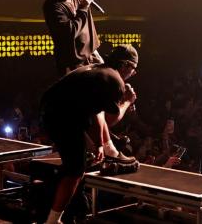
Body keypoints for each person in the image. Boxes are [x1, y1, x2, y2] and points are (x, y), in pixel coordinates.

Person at [40, 44, 139, 224]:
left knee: (75, 166)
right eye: (133, 69)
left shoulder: (98, 70)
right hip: (62, 118)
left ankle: (109, 150)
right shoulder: (114, 79)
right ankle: (52, 221)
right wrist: (127, 101)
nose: (134, 73)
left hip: (52, 112)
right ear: (124, 65)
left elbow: (95, 110)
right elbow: (111, 119)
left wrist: (99, 143)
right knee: (75, 171)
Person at [43, 0, 138, 76]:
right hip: (74, 63)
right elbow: (69, 32)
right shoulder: (53, 6)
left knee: (106, 80)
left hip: (91, 53)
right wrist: (83, 8)